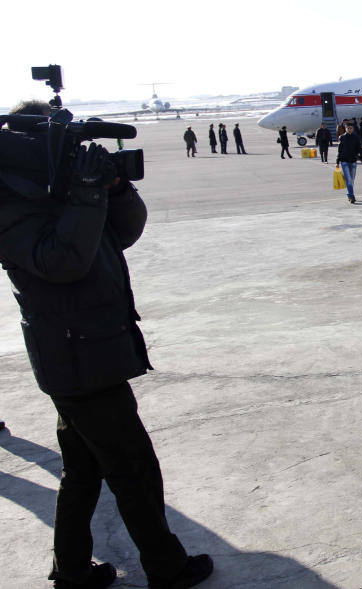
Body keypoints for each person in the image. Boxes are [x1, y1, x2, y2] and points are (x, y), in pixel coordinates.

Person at [0, 99, 214, 589]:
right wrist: (86, 193)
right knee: (134, 469)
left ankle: (72, 571)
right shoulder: (11, 201)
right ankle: (167, 567)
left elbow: (124, 232)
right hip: (78, 359)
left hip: (85, 353)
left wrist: (114, 188)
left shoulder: (55, 191)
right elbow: (63, 262)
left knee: (83, 467)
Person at [335, 122, 362, 203]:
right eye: (348, 128)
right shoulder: (342, 137)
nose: (349, 130)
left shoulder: (356, 137)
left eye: (351, 128)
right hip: (344, 161)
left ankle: (349, 193)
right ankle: (352, 196)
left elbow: (359, 148)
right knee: (348, 179)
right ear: (345, 129)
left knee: (352, 179)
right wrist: (337, 162)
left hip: (353, 160)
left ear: (353, 129)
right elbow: (339, 150)